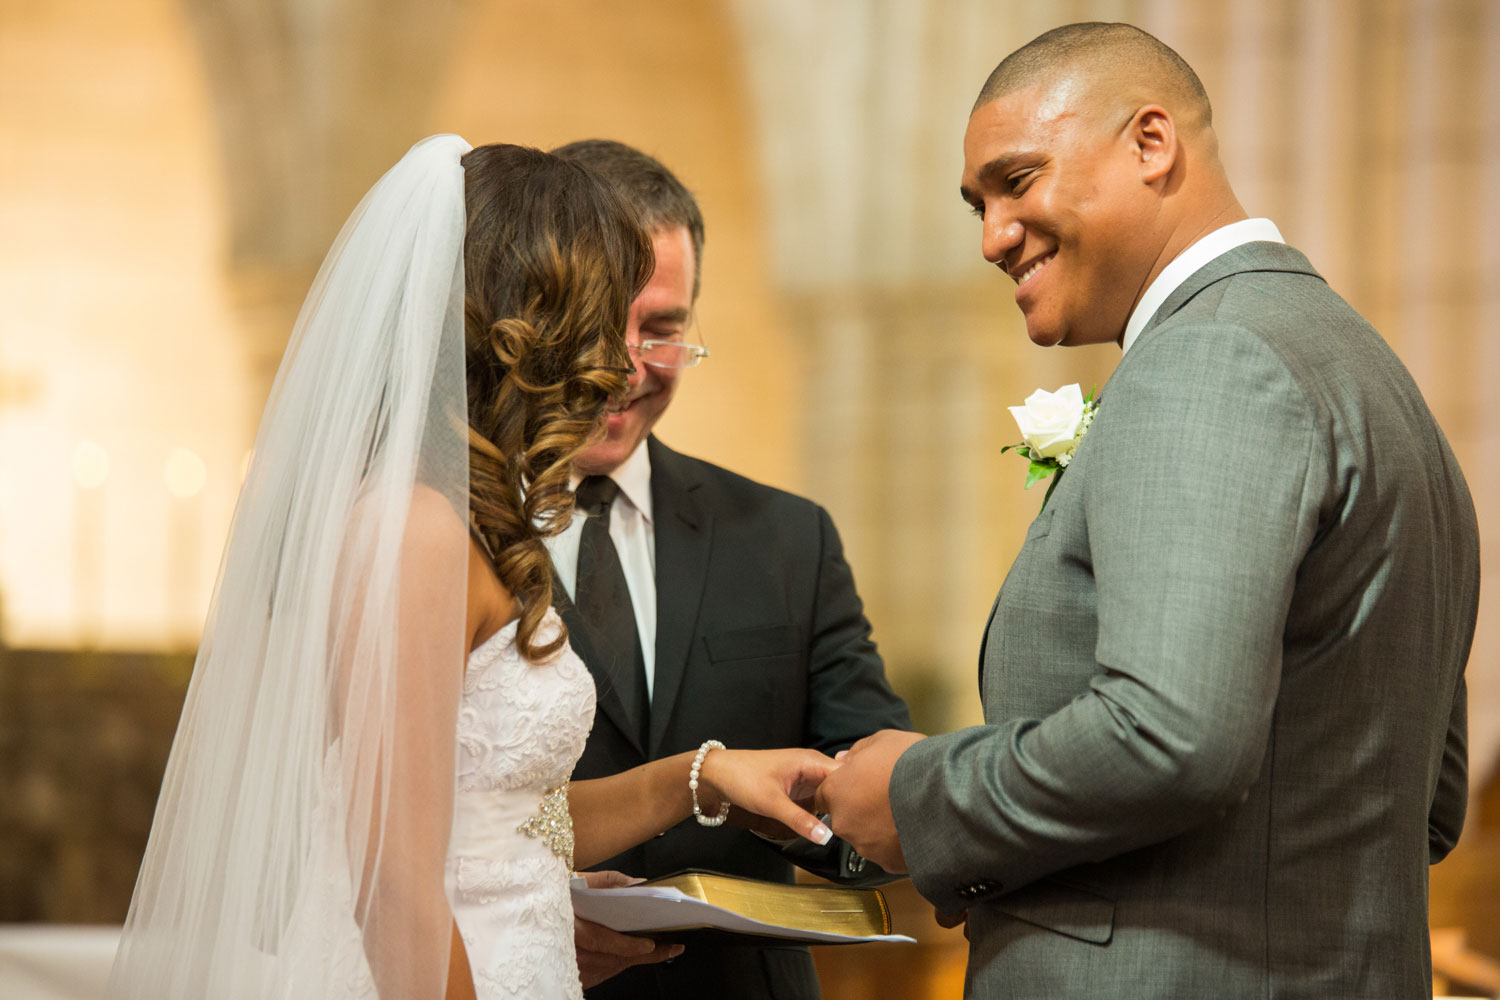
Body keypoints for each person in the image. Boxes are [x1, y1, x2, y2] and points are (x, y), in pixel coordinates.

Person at [817, 22, 1479, 999]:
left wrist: (916, 795)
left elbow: (1172, 739)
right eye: (977, 205)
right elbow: (1428, 798)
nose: (993, 235)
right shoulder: (1368, 372)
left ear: (1151, 143)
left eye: (1017, 180)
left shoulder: (1212, 359)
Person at [106, 136, 841, 1000]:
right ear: (528, 327)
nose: (620, 358)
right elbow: (394, 882)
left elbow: (503, 820)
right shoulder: (412, 527)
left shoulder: (471, 519)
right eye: (605, 315)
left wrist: (702, 777)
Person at [545, 139, 912, 1000]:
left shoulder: (786, 538)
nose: (628, 367)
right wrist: (511, 918)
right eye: (602, 325)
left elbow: (871, 818)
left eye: (663, 331)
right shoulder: (445, 533)